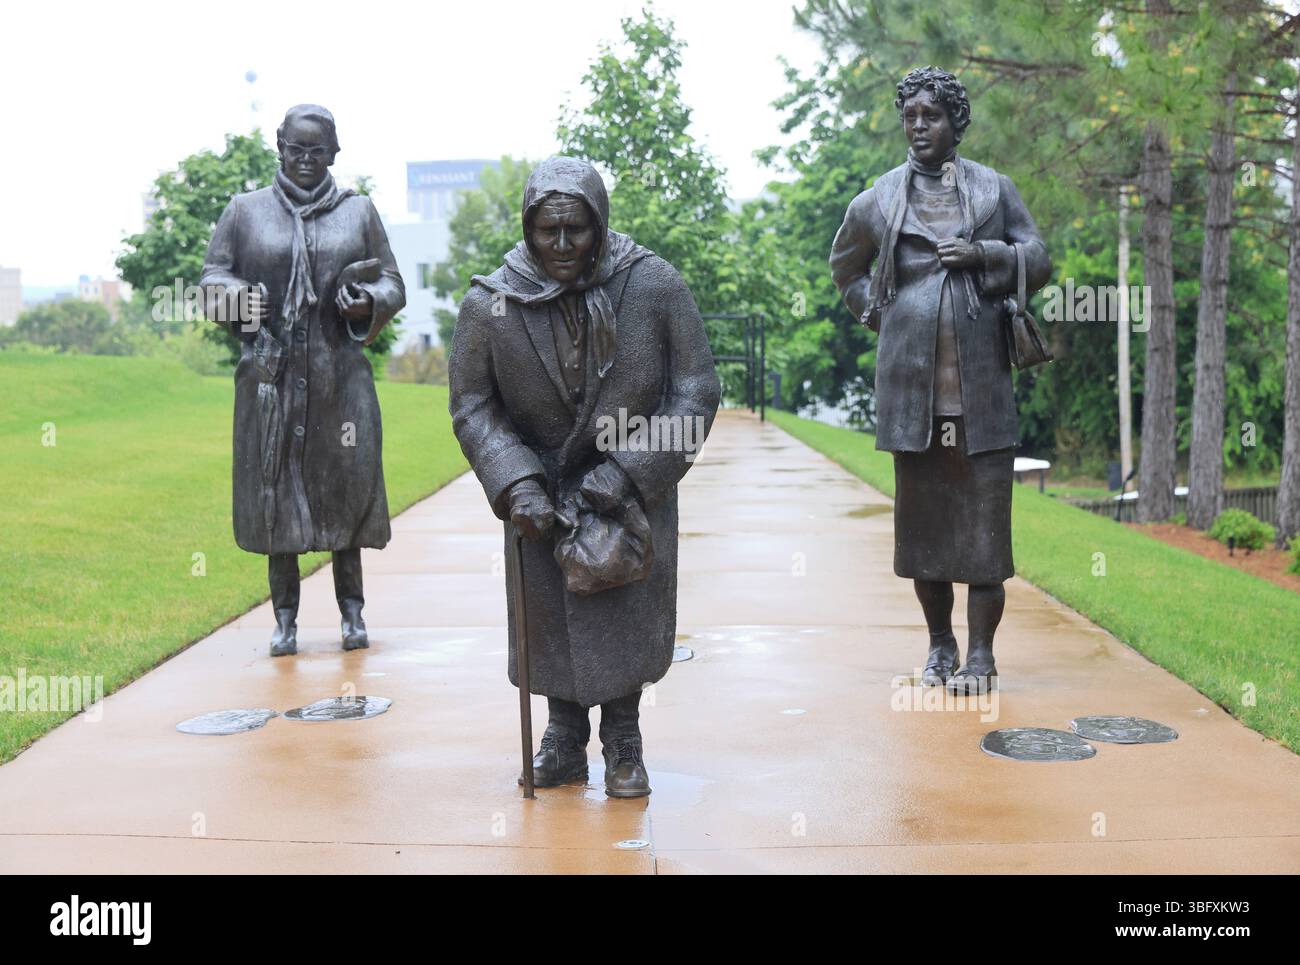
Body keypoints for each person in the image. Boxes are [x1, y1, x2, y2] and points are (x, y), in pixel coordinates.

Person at [449, 156, 720, 797]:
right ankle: (564, 739)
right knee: (549, 620)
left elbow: (696, 392)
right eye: (549, 232)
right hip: (539, 490)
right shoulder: (493, 302)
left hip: (628, 492)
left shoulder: (652, 285)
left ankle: (624, 742)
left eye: (578, 230)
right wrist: (515, 481)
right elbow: (472, 403)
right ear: (528, 228)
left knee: (621, 611)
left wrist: (629, 472)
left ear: (600, 224)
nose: (564, 246)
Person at [830, 67, 1051, 694]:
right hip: (912, 399)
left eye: (932, 116)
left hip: (982, 398)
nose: (919, 126)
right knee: (924, 537)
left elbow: (1040, 257)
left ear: (956, 122)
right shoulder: (878, 198)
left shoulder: (994, 190)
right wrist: (877, 313)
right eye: (911, 116)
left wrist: (987, 255)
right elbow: (845, 265)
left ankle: (982, 654)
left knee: (986, 536)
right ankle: (939, 646)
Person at [201, 104, 405, 657]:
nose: (306, 159)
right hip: (271, 375)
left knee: (346, 491)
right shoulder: (246, 212)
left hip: (339, 379)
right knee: (276, 495)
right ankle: (284, 621)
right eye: (296, 149)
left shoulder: (358, 211)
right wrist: (243, 300)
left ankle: (352, 614)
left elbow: (392, 280)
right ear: (280, 147)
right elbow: (211, 279)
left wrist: (365, 300)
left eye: (317, 150)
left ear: (334, 153)